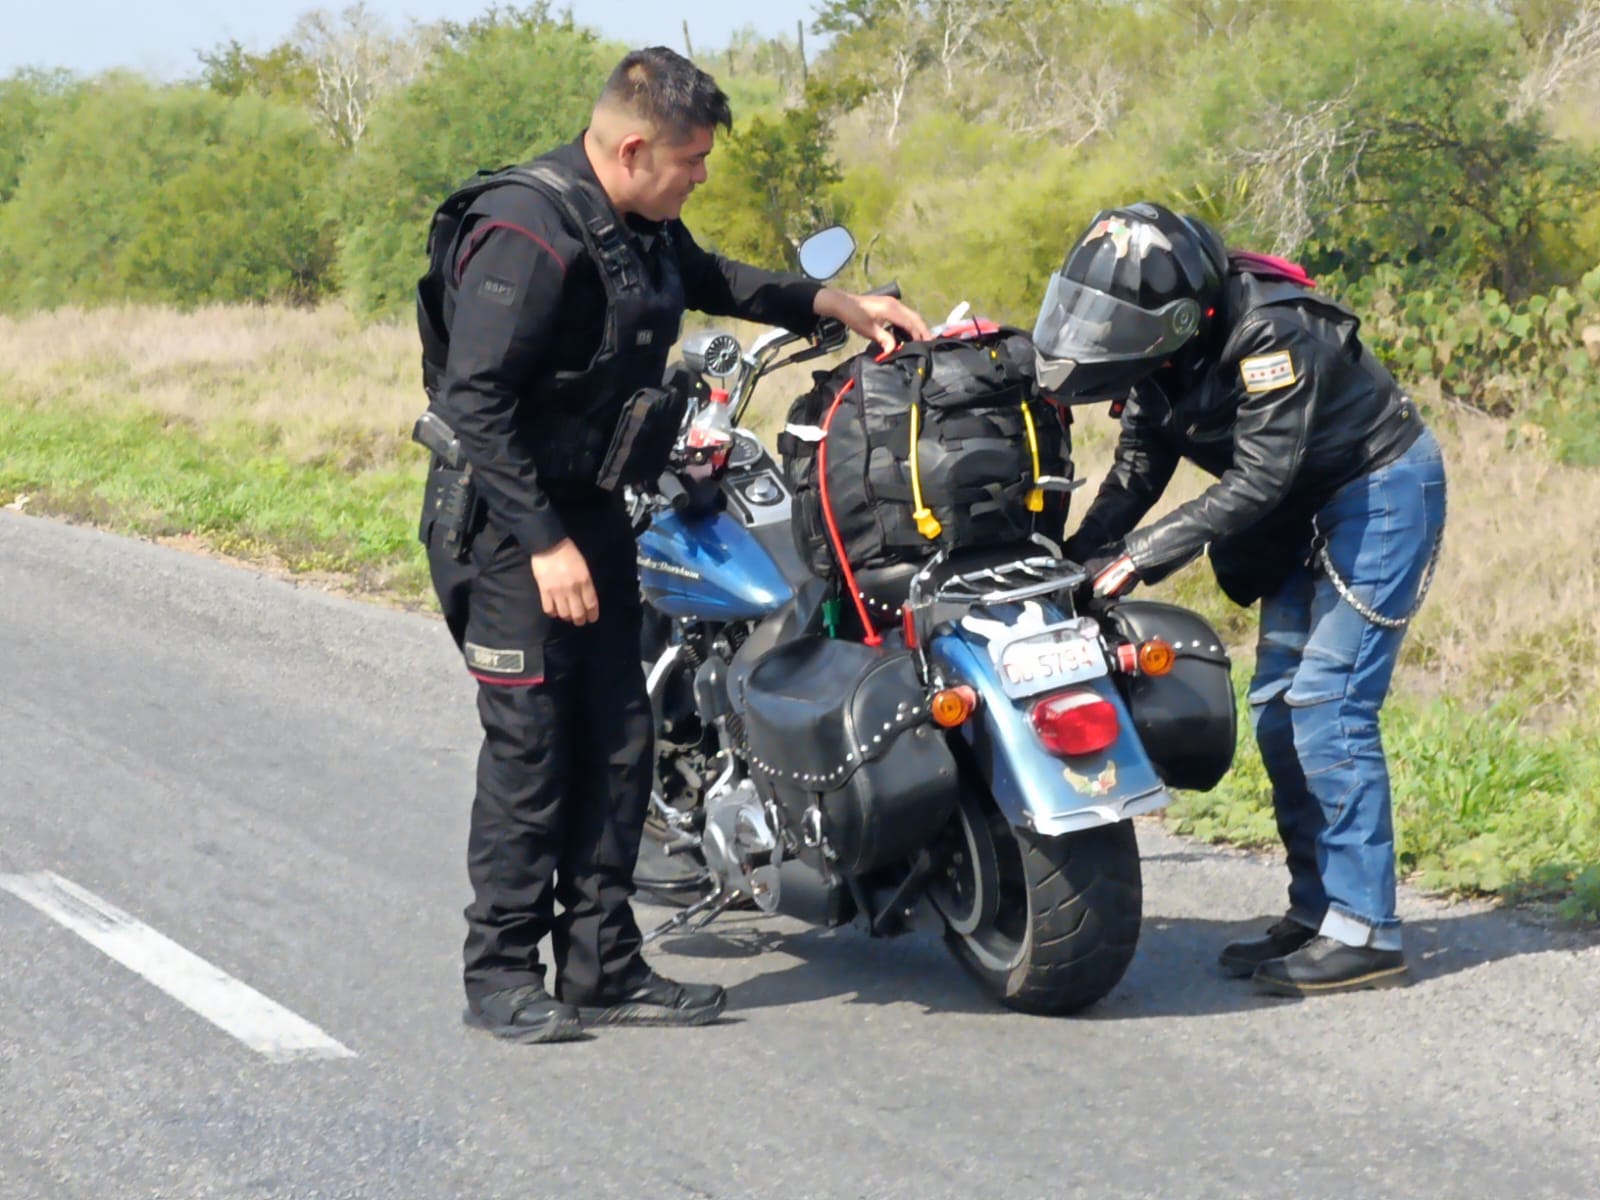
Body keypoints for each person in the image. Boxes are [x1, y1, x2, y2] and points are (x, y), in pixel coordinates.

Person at [415, 46, 931, 1044]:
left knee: (619, 741)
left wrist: (836, 304)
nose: (700, 177)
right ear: (635, 145)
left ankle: (602, 965)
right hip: (509, 526)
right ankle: (501, 975)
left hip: (599, 509)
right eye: (691, 161)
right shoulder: (526, 230)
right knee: (533, 753)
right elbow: (472, 402)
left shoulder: (637, 226)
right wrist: (543, 544)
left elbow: (719, 278)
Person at [1032, 202, 1446, 997]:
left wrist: (1141, 559)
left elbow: (1260, 475)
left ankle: (1368, 933)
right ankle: (1320, 913)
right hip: (1297, 507)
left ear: (1178, 316)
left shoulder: (1269, 336)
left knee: (1329, 704)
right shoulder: (1163, 362)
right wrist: (1071, 562)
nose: (1106, 337)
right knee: (1278, 707)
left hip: (1376, 494)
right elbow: (1134, 476)